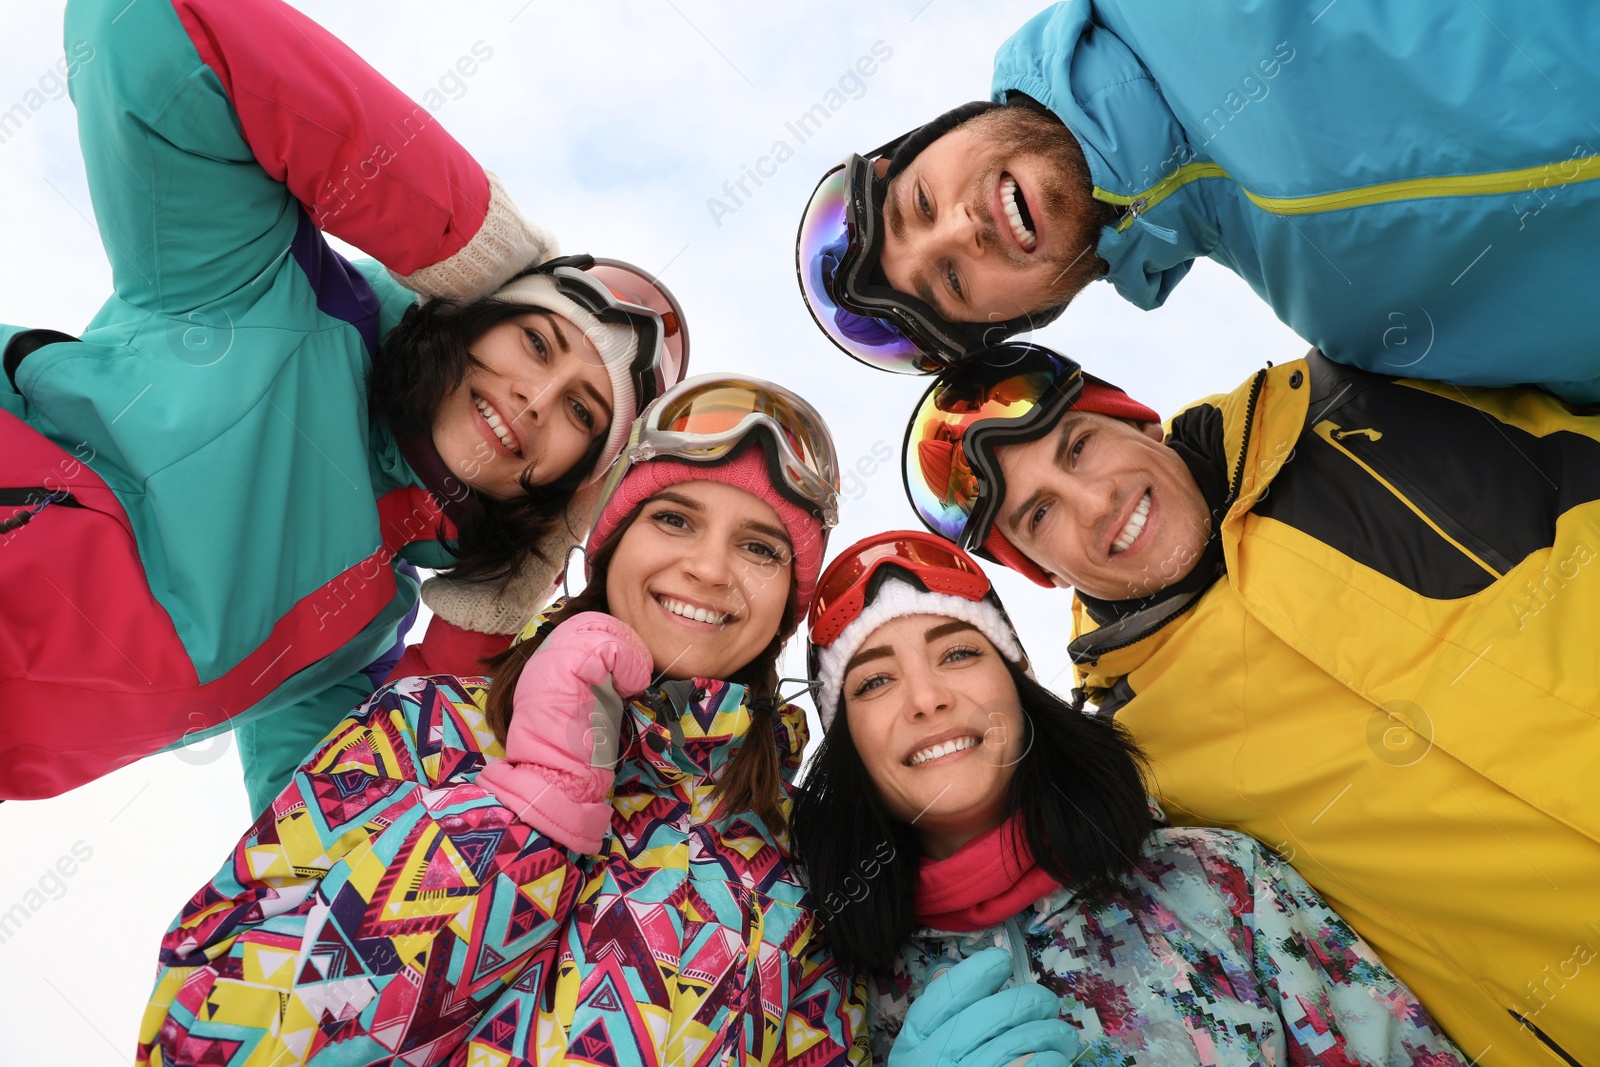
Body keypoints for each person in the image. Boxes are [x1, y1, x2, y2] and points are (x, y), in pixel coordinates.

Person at [0, 0, 687, 812]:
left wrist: (499, 600)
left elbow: (341, 841)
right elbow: (142, 26)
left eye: (581, 412)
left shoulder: (359, 638)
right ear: (477, 306)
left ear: (573, 484)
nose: (534, 399)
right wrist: (463, 232)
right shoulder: (265, 286)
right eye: (536, 342)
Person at [137, 375, 878, 1066]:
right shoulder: (424, 728)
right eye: (675, 518)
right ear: (610, 546)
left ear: (787, 602)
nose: (711, 569)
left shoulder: (802, 875)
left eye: (759, 546)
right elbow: (207, 1036)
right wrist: (526, 814)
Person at [898, 341, 1600, 1064]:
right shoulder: (1139, 762)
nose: (1095, 502)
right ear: (1040, 570)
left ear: (1137, 419)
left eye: (1078, 448)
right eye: (1040, 514)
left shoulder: (1357, 392)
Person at [790, 529, 1469, 1065]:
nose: (927, 696)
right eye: (874, 682)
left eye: (959, 653)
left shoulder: (1221, 878)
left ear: (1020, 690)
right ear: (849, 746)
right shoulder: (827, 986)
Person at [795, 1, 1600, 403]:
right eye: (953, 284)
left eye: (922, 204)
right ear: (1031, 318)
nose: (962, 231)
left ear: (944, 129)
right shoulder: (1351, 325)